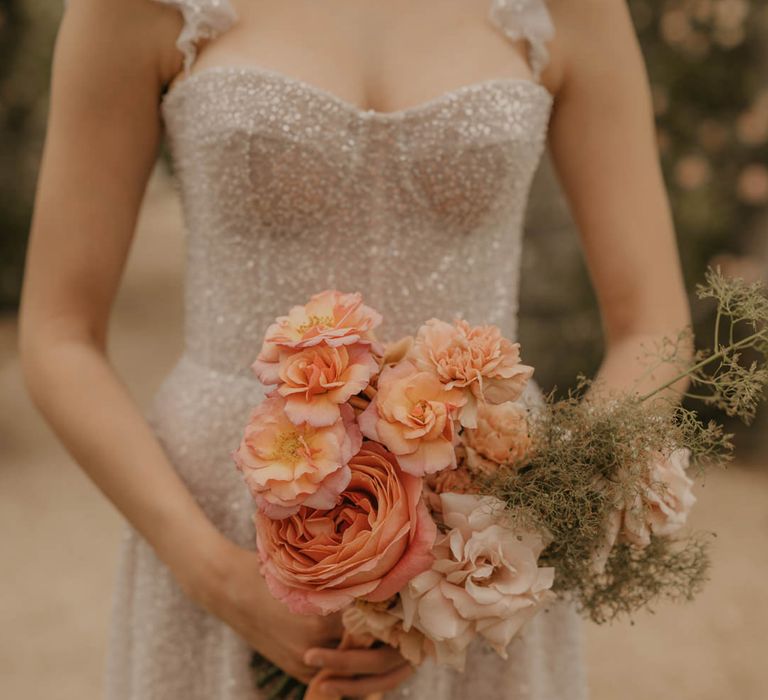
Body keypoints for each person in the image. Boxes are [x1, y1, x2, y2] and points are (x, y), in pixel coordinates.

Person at [18, 0, 692, 698]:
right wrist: (212, 572)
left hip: (482, 529)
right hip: (220, 524)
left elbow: (652, 326)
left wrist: (527, 527)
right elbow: (59, 334)